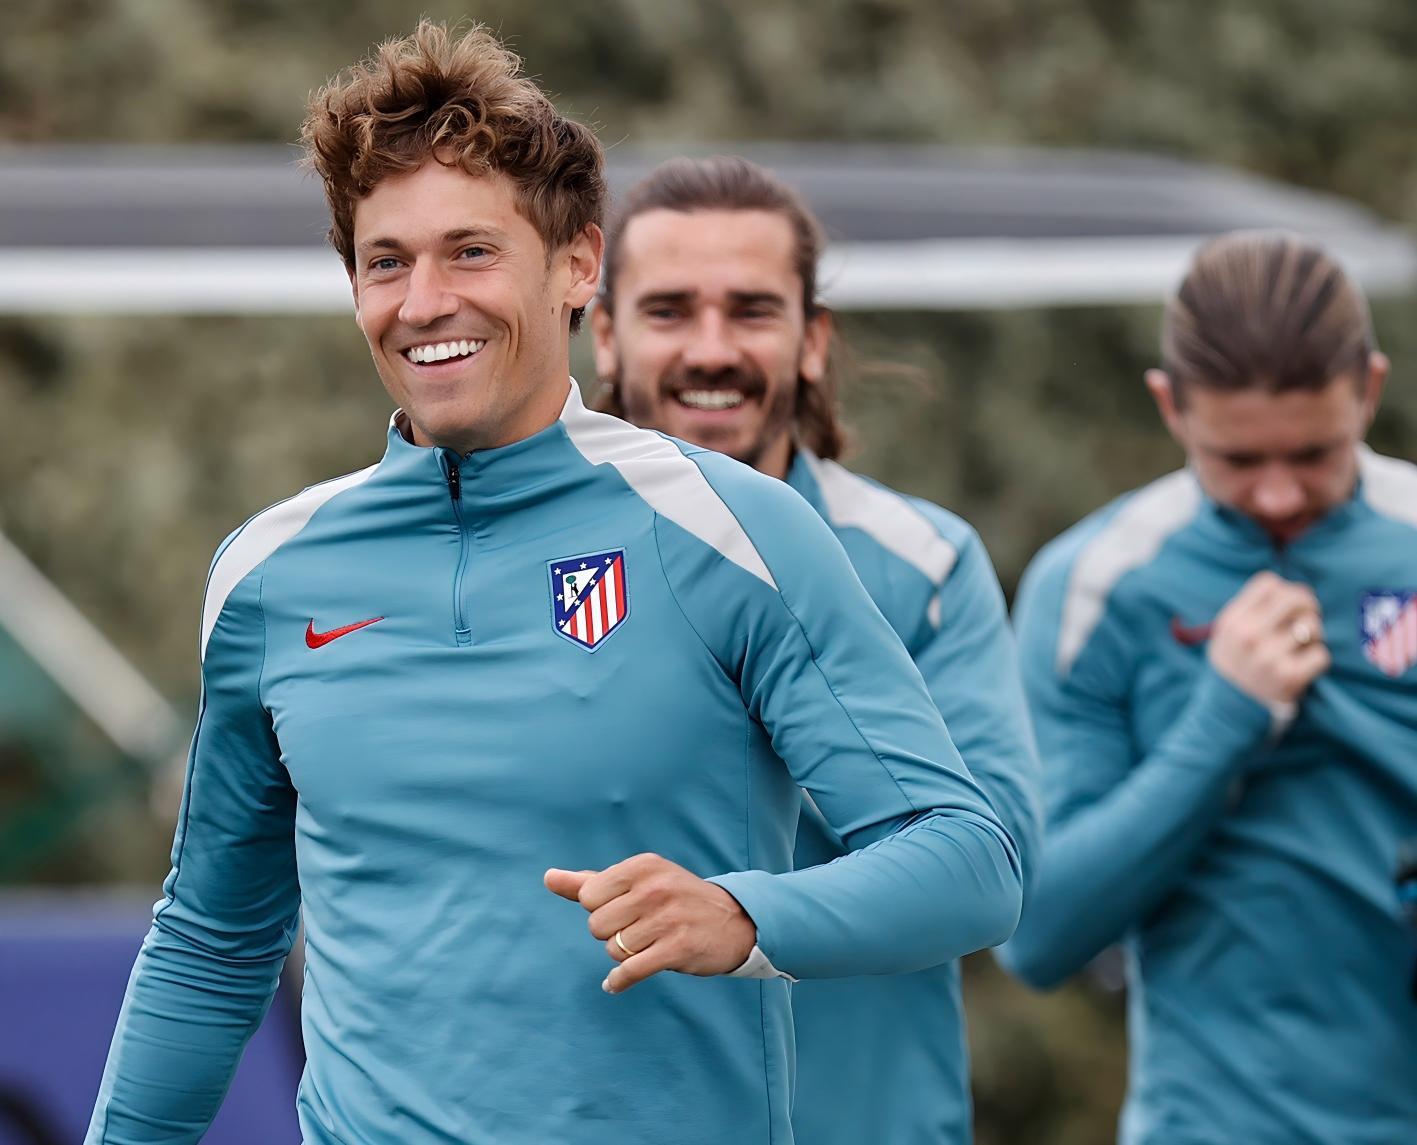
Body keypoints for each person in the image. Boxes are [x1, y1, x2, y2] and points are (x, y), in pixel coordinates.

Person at [84, 22, 1023, 1145]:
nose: (424, 301)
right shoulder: (267, 573)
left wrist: (743, 914)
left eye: (471, 251)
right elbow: (210, 941)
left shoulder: (730, 529)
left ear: (578, 265)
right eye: (386, 261)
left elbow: (969, 859)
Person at [592, 155, 1042, 1145]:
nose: (712, 349)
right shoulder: (542, 567)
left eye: (752, 310)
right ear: (606, 334)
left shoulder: (921, 562)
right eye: (669, 310)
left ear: (812, 339)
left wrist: (746, 891)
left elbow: (996, 855)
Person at [1000, 232, 1417, 1144]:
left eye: (1312, 453)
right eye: (1236, 460)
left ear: (1370, 389)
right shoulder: (1096, 585)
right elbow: (1037, 934)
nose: (1277, 495)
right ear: (1170, 405)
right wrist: (1224, 717)